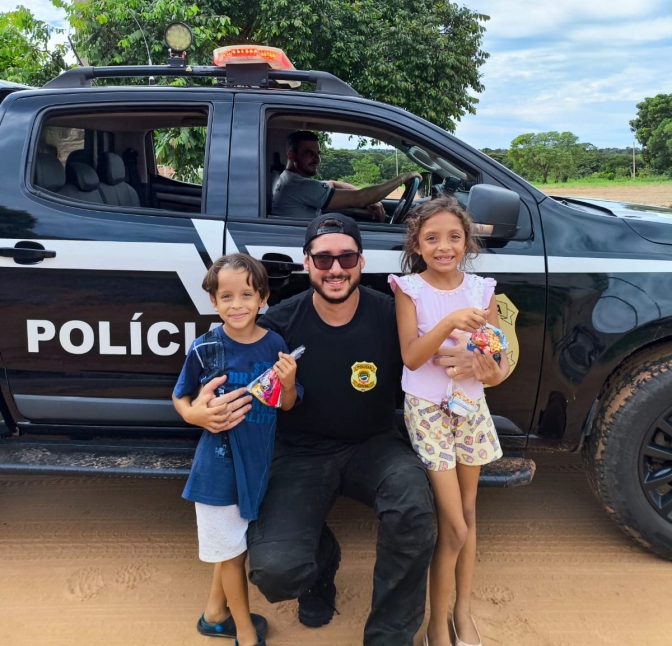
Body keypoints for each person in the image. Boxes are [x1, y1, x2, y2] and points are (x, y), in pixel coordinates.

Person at [181, 214, 435, 646]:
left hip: (374, 445)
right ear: (306, 263)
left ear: (361, 261)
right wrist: (196, 411)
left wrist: (483, 364)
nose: (335, 268)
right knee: (276, 571)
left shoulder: (392, 315)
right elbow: (219, 359)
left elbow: (434, 356)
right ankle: (319, 571)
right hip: (298, 452)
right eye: (323, 259)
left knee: (414, 508)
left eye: (346, 257)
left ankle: (390, 635)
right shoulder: (278, 323)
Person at [389, 196, 509, 646]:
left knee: (470, 512)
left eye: (454, 237)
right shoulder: (409, 290)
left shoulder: (482, 291)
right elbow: (412, 356)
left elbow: (495, 366)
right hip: (427, 412)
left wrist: (477, 363)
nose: (445, 247)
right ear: (417, 245)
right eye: (432, 238)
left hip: (471, 409)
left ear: (467, 242)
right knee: (453, 523)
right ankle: (435, 623)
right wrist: (448, 325)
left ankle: (463, 611)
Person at [172, 253, 303, 646]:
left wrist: (291, 382)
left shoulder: (275, 344)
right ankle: (245, 634)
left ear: (262, 297)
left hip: (257, 464)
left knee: (235, 546)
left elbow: (287, 404)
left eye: (246, 294)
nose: (237, 305)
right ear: (213, 302)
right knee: (230, 555)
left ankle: (214, 614)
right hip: (218, 468)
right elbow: (180, 397)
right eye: (225, 297)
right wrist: (196, 416)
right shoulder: (205, 347)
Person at [272, 130, 421, 222]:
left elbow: (333, 183)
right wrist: (403, 178)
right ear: (291, 155)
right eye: (308, 153)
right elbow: (360, 198)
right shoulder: (301, 186)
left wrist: (370, 202)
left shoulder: (289, 179)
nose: (317, 159)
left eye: (318, 153)